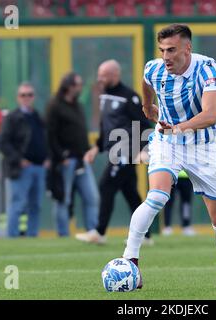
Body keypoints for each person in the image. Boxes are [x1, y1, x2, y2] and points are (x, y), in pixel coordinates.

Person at [122, 24, 216, 288]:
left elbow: (211, 114)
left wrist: (179, 127)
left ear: (187, 49)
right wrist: (146, 104)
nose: (166, 56)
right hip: (167, 142)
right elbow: (145, 81)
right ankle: (130, 261)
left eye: (172, 50)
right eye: (163, 50)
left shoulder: (207, 67)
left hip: (202, 147)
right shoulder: (154, 68)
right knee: (157, 196)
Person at [77, 60, 153, 245]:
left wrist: (142, 150)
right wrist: (96, 147)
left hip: (125, 152)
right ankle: (146, 236)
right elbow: (106, 126)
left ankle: (99, 232)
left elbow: (144, 124)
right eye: (99, 74)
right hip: (113, 151)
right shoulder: (104, 97)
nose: (99, 78)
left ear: (115, 75)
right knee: (131, 194)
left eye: (103, 75)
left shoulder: (130, 98)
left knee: (106, 186)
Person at [46, 72, 100, 237]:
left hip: (81, 159)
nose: (80, 88)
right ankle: (63, 234)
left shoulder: (77, 105)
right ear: (69, 86)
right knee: (64, 199)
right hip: (66, 161)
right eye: (78, 84)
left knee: (92, 197)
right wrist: (60, 157)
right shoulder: (54, 106)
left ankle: (92, 231)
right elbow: (50, 134)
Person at [0, 82, 48, 237]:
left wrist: (47, 158)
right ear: (18, 98)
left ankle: (32, 235)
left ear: (34, 97)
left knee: (36, 205)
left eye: (30, 94)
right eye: (23, 95)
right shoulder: (12, 117)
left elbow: (45, 139)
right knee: (18, 204)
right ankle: (12, 236)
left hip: (39, 167)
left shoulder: (37, 116)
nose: (26, 98)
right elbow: (3, 142)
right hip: (21, 168)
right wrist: (19, 159)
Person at [162, 170, 196, 236]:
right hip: (172, 175)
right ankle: (167, 227)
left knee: (186, 204)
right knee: (169, 202)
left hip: (187, 177)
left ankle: (186, 226)